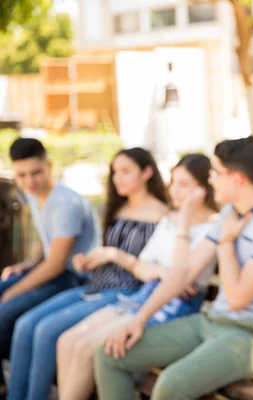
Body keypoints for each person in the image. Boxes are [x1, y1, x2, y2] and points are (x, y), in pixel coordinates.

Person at [93, 136, 253, 400]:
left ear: (237, 179)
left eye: (216, 173)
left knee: (170, 385)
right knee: (110, 354)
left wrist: (226, 241)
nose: (210, 180)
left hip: (247, 336)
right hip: (208, 321)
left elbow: (236, 298)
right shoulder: (229, 213)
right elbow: (185, 271)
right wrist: (138, 320)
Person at [7, 147, 168, 400]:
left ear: (147, 172)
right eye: (115, 172)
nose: (118, 178)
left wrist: (113, 256)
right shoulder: (114, 208)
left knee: (47, 330)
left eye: (126, 172)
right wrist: (88, 260)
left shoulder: (163, 216)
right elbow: (102, 250)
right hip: (95, 285)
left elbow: (153, 268)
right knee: (27, 323)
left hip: (126, 293)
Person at [56, 153, 219, 400]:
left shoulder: (212, 226)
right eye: (173, 182)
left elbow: (181, 272)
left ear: (203, 188)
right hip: (146, 295)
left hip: (175, 306)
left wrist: (184, 224)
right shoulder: (170, 219)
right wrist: (162, 272)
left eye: (184, 184)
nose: (175, 191)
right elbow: (141, 267)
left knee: (91, 347)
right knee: (68, 341)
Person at [0, 138, 100, 395]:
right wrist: (28, 264)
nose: (29, 181)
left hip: (74, 278)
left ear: (49, 166)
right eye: (22, 175)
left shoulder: (65, 203)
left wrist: (14, 291)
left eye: (36, 173)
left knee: (6, 308)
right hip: (54, 271)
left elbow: (55, 265)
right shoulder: (33, 194)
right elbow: (48, 243)